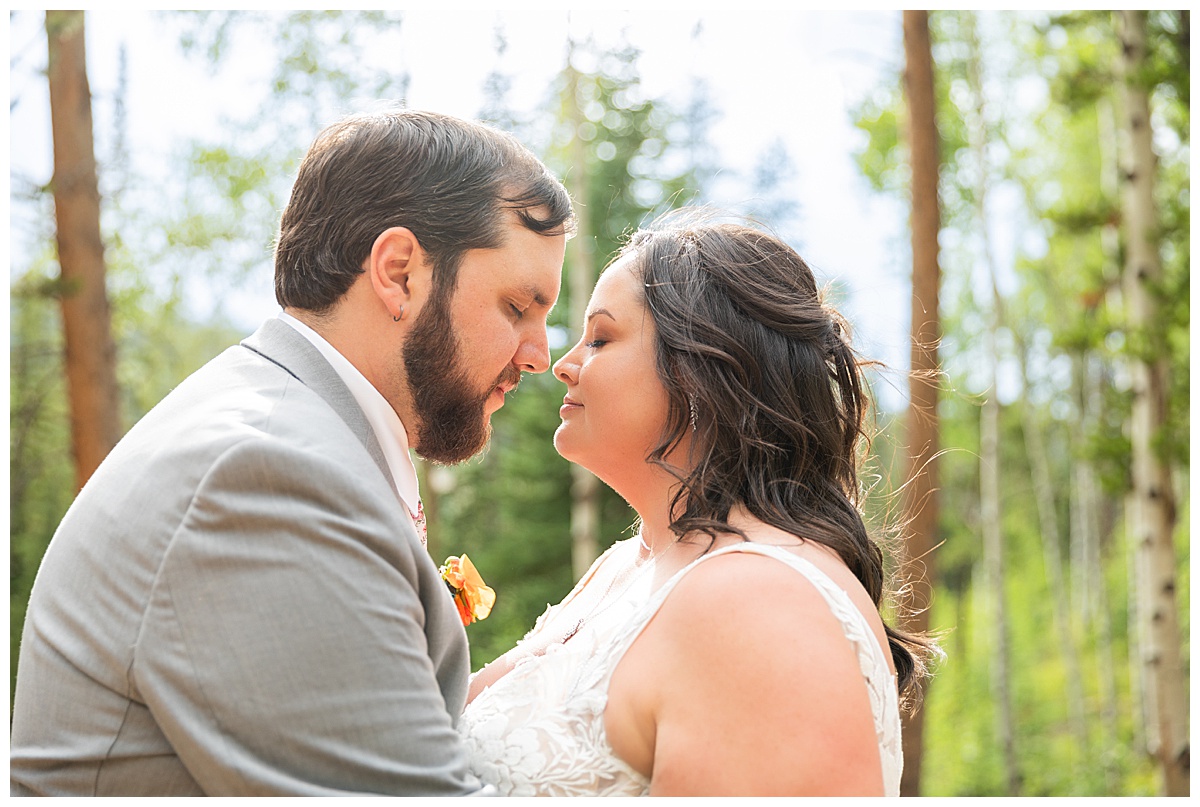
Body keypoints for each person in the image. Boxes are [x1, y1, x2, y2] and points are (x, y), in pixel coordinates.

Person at [10, 109, 572, 796]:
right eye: (518, 307)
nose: (541, 355)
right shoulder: (263, 479)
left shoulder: (289, 434)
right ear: (399, 273)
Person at [458, 212, 935, 796]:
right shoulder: (627, 567)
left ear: (698, 372)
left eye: (602, 338)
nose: (563, 363)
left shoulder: (756, 603)